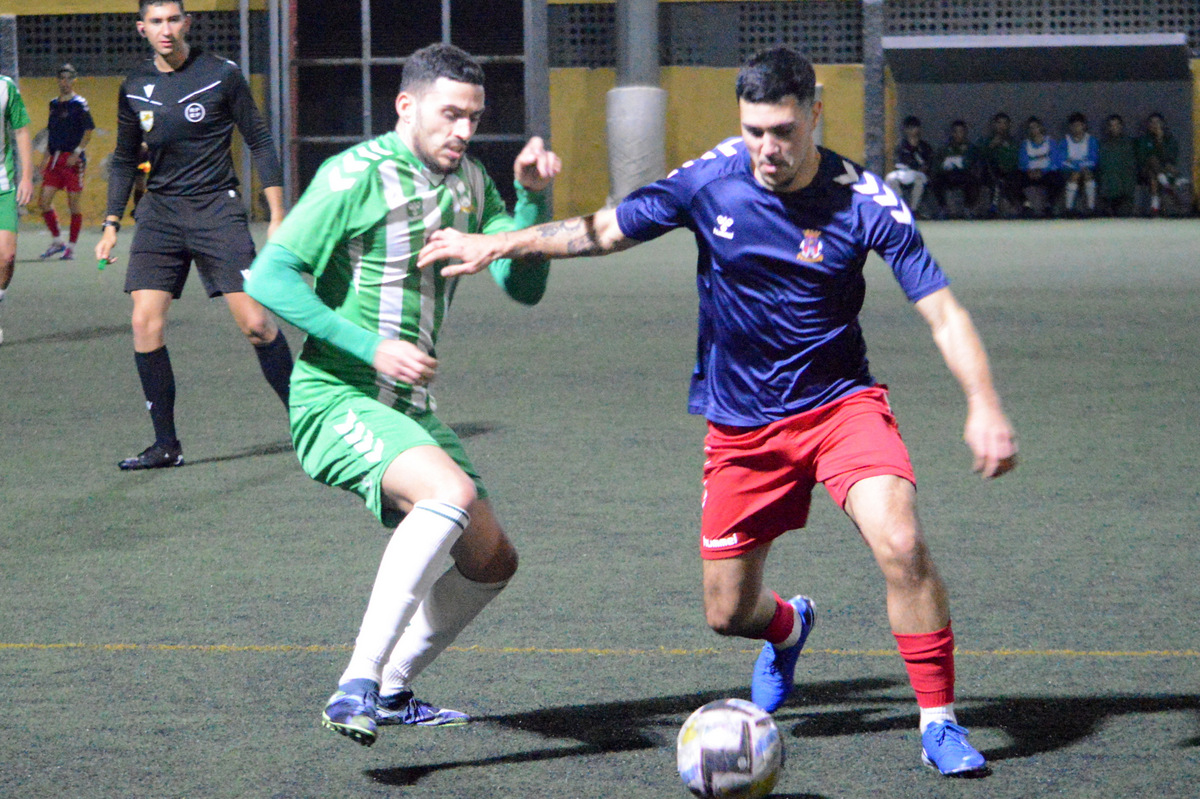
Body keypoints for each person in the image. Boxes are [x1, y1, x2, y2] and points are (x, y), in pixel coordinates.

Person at [417, 47, 1017, 777]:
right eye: (754, 130)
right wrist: (501, 241)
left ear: (815, 114)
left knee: (901, 540)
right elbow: (604, 230)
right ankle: (789, 626)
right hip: (742, 425)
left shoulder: (865, 200)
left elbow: (943, 312)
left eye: (784, 130)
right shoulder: (710, 179)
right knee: (729, 613)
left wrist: (983, 402)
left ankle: (938, 719)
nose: (768, 148)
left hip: (839, 406)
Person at [243, 42, 562, 748]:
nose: (463, 131)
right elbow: (268, 276)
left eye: (474, 118)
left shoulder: (473, 183)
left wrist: (533, 199)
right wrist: (370, 346)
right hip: (334, 395)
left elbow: (525, 287)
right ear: (406, 106)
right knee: (447, 493)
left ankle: (390, 688)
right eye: (450, 115)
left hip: (408, 410)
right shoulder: (354, 175)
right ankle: (355, 681)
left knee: (491, 559)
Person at [95, 0, 294, 470]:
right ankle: (166, 444)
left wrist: (278, 212)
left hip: (215, 209)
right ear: (141, 28)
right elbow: (125, 160)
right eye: (156, 22)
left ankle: (309, 424)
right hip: (159, 214)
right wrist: (109, 224)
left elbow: (260, 141)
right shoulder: (135, 86)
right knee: (145, 322)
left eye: (173, 20)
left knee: (257, 324)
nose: (166, 30)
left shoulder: (222, 74)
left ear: (187, 23)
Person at [37, 64, 95, 261]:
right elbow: (52, 132)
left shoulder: (79, 104)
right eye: (62, 78)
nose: (65, 82)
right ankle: (57, 241)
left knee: (73, 206)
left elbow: (88, 131)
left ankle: (71, 247)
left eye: (69, 78)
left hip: (73, 160)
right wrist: (45, 158)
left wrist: (77, 153)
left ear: (74, 80)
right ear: (58, 80)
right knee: (43, 201)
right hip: (55, 159)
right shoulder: (53, 104)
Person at [0, 73, 35, 347]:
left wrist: (26, 177)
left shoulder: (5, 87)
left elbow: (21, 130)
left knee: (7, 257)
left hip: (3, 185)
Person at [1135, 112, 1186, 216]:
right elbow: (1142, 158)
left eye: (1157, 122)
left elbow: (1171, 158)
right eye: (1152, 123)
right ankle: (1165, 182)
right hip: (1145, 171)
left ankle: (1155, 208)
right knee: (1152, 161)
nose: (1155, 125)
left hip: (1164, 170)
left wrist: (1160, 140)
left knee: (1154, 175)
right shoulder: (1143, 140)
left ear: (1162, 124)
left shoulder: (1169, 140)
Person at [929, 120, 981, 219]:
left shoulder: (971, 148)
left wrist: (963, 162)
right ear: (952, 133)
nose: (958, 135)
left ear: (965, 133)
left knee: (972, 181)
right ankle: (943, 208)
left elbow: (974, 163)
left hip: (965, 175)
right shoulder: (944, 148)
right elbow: (937, 164)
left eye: (961, 132)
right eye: (955, 132)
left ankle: (968, 208)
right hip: (947, 175)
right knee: (937, 181)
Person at [884, 115, 932, 218]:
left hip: (918, 174)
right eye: (909, 128)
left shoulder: (924, 147)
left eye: (914, 127)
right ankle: (900, 208)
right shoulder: (900, 146)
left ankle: (913, 210)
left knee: (920, 180)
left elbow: (927, 164)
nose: (912, 131)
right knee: (891, 179)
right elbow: (896, 162)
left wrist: (920, 166)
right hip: (902, 174)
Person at [976, 112, 1021, 217]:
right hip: (991, 172)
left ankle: (1017, 208)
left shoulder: (1013, 142)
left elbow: (1015, 159)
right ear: (994, 125)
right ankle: (993, 208)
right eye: (999, 123)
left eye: (1004, 123)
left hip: (1010, 171)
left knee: (1012, 179)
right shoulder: (986, 141)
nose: (1001, 126)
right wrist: (991, 146)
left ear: (1009, 125)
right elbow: (980, 157)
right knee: (993, 175)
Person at [1017, 116, 1063, 217]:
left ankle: (1049, 205)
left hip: (1047, 173)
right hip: (1030, 174)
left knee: (1057, 179)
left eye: (1036, 127)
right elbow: (1022, 163)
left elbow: (1056, 162)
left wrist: (1043, 171)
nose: (1034, 130)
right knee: (1016, 179)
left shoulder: (1050, 142)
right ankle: (1026, 205)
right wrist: (1029, 171)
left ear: (1041, 128)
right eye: (1031, 128)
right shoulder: (1025, 144)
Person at [1096, 114, 1137, 217]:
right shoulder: (1103, 144)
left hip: (1124, 190)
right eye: (1111, 125)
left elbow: (1131, 167)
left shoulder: (1129, 144)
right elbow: (1101, 166)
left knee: (1124, 215)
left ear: (1121, 126)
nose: (1114, 128)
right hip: (1107, 190)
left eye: (1117, 125)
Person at [1060, 112, 1098, 216]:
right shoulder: (1065, 142)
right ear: (1070, 127)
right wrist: (1076, 167)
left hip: (1087, 169)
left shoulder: (1091, 140)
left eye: (1079, 125)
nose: (1077, 128)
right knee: (1075, 175)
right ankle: (1069, 208)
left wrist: (1080, 166)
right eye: (1074, 126)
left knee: (1088, 175)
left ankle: (1091, 208)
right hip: (1069, 170)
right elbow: (1062, 161)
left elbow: (1093, 160)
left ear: (1084, 126)